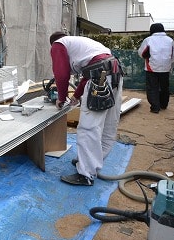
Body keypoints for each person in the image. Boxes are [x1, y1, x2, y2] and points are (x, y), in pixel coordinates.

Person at [49, 31, 123, 186]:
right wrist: (76, 96)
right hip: (114, 73)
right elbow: (89, 72)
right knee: (108, 123)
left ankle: (86, 174)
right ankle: (91, 161)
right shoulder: (84, 45)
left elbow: (61, 75)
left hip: (100, 78)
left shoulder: (58, 44)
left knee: (88, 128)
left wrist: (61, 98)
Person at [137, 23, 174, 113]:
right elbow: (173, 54)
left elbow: (141, 53)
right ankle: (164, 105)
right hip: (166, 68)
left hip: (152, 67)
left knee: (152, 87)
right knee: (164, 87)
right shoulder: (170, 40)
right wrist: (169, 63)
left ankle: (155, 107)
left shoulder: (148, 40)